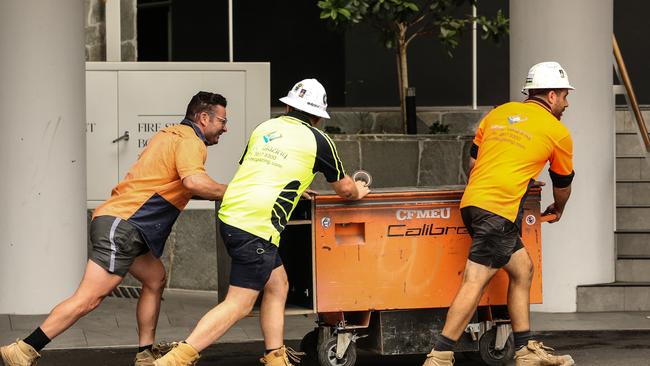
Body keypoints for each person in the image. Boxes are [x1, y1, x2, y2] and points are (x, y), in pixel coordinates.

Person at [0, 92, 229, 366]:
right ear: (204, 118)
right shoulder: (192, 141)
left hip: (124, 224)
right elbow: (194, 183)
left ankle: (145, 353)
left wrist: (214, 191)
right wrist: (237, 191)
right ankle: (24, 349)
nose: (225, 128)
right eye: (223, 121)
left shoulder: (170, 135)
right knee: (89, 299)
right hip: (125, 226)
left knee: (154, 278)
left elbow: (175, 186)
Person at [153, 79, 370, 366]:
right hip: (257, 224)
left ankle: (275, 356)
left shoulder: (265, 128)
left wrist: (293, 185)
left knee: (278, 284)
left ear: (288, 106)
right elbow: (344, 190)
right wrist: (359, 189)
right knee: (239, 303)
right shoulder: (319, 141)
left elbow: (259, 170)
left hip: (232, 213)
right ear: (318, 116)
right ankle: (175, 360)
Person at [422, 62, 576, 366]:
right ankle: (439, 356)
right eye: (565, 96)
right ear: (551, 95)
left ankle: (525, 351)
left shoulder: (497, 114)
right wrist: (558, 209)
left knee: (523, 270)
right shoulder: (557, 132)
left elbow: (473, 164)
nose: (567, 103)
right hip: (498, 210)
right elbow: (563, 184)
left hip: (473, 203)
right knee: (475, 280)